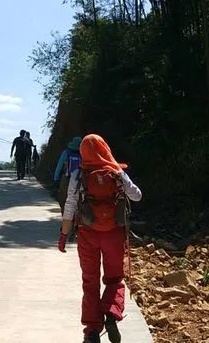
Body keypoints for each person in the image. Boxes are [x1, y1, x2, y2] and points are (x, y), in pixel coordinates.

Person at [57, 134, 142, 343]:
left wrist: (63, 235)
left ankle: (92, 332)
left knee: (90, 283)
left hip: (87, 234)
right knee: (114, 279)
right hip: (113, 234)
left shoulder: (78, 175)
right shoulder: (116, 172)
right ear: (105, 148)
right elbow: (137, 195)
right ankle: (111, 314)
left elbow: (69, 206)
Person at [53, 136, 82, 212]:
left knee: (63, 200)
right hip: (80, 180)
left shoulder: (66, 152)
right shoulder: (83, 154)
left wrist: (56, 178)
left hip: (67, 179)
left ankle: (65, 217)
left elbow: (59, 166)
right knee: (78, 200)